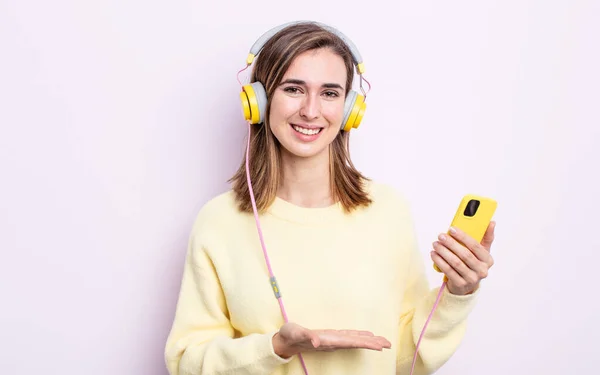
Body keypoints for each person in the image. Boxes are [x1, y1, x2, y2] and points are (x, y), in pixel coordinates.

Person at [164, 21, 496, 375]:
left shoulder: (387, 211)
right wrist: (276, 347)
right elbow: (187, 363)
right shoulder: (219, 221)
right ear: (258, 101)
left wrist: (458, 293)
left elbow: (405, 358)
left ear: (351, 108)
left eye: (330, 93)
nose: (311, 110)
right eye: (293, 89)